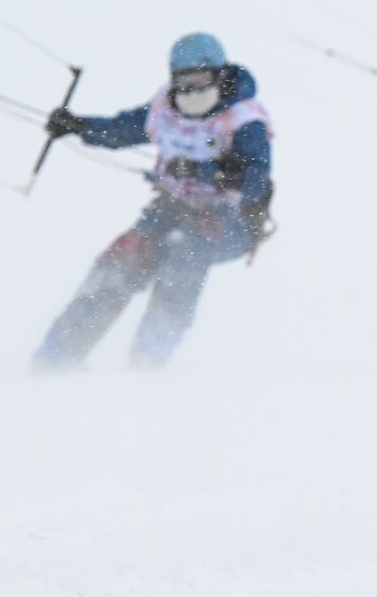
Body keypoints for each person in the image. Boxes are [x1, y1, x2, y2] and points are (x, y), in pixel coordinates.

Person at [33, 32, 274, 368]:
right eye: (184, 82)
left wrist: (202, 171)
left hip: (229, 220)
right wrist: (77, 126)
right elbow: (124, 129)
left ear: (220, 75)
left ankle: (147, 362)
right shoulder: (166, 108)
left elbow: (255, 181)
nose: (193, 91)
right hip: (172, 209)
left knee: (183, 252)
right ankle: (55, 359)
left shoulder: (244, 120)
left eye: (201, 81)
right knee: (122, 259)